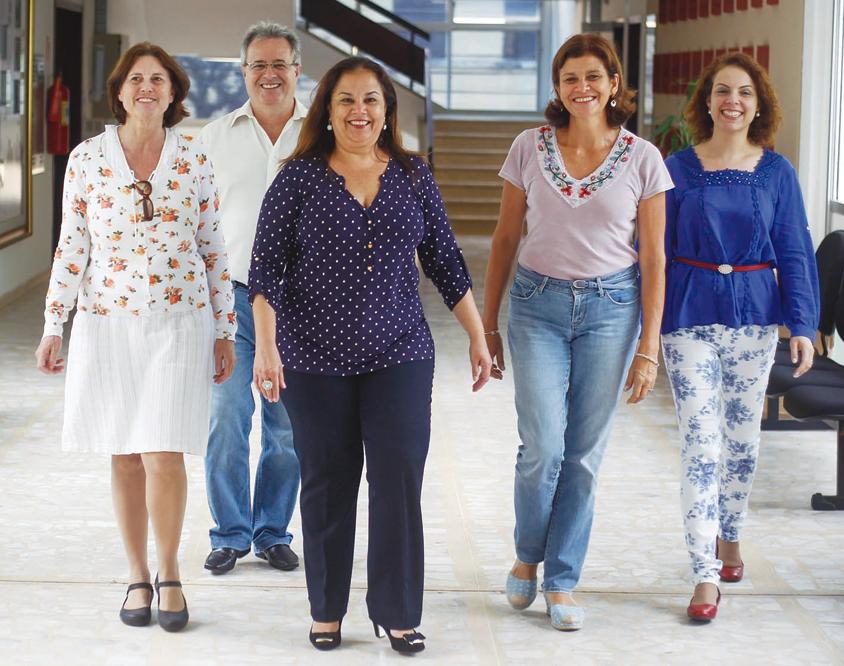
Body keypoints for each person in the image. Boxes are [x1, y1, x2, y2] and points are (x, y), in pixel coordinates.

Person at [248, 56, 491, 653]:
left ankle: (398, 610)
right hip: (313, 357)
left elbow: (444, 260)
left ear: (387, 111)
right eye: (347, 101)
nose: (360, 112)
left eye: (372, 101)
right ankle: (326, 608)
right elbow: (265, 271)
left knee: (397, 482)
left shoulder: (413, 174)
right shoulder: (297, 177)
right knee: (328, 485)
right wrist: (267, 347)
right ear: (327, 112)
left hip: (400, 352)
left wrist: (478, 333)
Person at [34, 42, 235, 632]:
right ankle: (136, 575)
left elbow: (214, 248)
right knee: (123, 453)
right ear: (120, 91)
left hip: (180, 321)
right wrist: (54, 323)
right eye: (136, 79)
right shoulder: (88, 159)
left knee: (163, 449)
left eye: (159, 80)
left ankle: (169, 572)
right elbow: (73, 245)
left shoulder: (194, 159)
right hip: (107, 322)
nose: (147, 88)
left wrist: (225, 329)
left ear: (174, 94)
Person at [482, 33, 673, 631]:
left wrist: (649, 347)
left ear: (614, 84)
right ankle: (525, 555)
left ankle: (562, 580)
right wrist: (486, 323)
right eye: (569, 78)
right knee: (543, 447)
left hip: (612, 311)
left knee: (584, 455)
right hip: (536, 304)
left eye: (593, 76)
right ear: (556, 88)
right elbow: (506, 239)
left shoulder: (643, 158)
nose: (582, 88)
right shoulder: (528, 146)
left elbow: (654, 259)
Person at [661, 52, 819, 622]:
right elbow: (651, 251)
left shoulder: (778, 172)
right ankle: (705, 574)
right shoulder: (676, 167)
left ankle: (731, 537)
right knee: (702, 445)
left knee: (742, 442)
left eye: (745, 92)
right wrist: (641, 331)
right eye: (722, 90)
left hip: (755, 318)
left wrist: (802, 324)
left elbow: (795, 251)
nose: (733, 101)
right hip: (688, 318)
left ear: (759, 104)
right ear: (707, 102)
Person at [200, 21, 305, 575]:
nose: (269, 74)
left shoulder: (322, 133)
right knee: (227, 421)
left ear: (296, 70)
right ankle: (229, 532)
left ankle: (272, 531)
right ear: (243, 72)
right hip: (232, 301)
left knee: (287, 428)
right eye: (258, 65)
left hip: (301, 306)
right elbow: (194, 224)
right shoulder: (214, 138)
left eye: (279, 64)